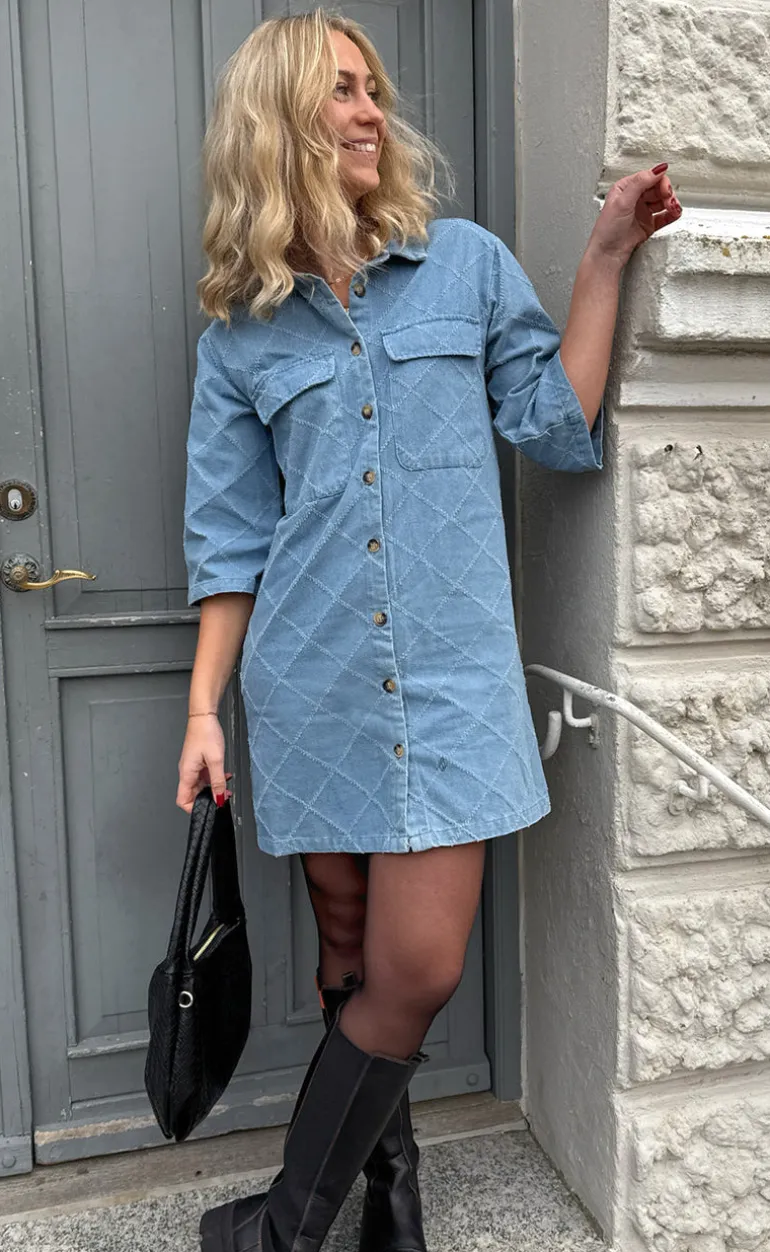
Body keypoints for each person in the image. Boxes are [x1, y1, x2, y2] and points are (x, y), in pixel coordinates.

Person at [176, 10, 681, 1251]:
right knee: (347, 948)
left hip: (451, 679)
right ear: (274, 124)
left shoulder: (462, 265)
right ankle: (386, 1202)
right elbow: (229, 541)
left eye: (372, 90)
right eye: (338, 91)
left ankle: (278, 1229)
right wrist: (202, 710)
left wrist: (602, 257)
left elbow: (553, 422)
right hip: (311, 679)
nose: (369, 112)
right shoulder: (239, 338)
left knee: (417, 970)